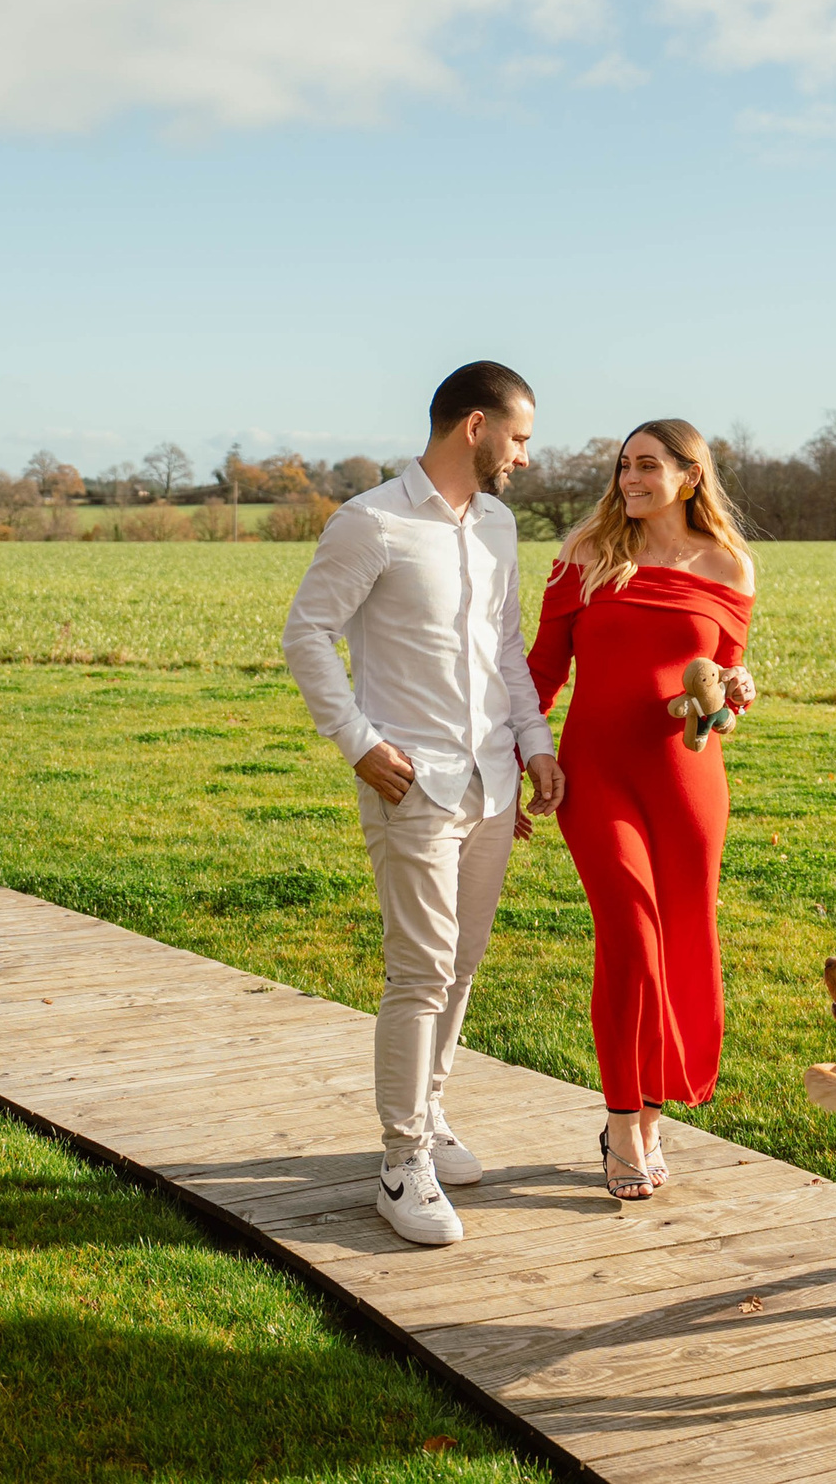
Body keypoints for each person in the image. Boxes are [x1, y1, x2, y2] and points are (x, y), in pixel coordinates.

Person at [281, 361, 564, 1246]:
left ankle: (432, 1120)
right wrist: (361, 744)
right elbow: (307, 635)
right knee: (421, 972)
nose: (524, 456)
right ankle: (402, 1163)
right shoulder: (371, 523)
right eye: (518, 438)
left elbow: (506, 649)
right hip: (413, 784)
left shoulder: (500, 525)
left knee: (464, 965)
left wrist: (537, 744)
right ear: (474, 427)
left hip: (491, 781)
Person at [527, 420, 756, 1201]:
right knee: (629, 932)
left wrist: (736, 694)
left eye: (648, 465)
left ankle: (654, 1114)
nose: (631, 478)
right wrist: (527, 753)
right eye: (625, 465)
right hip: (597, 774)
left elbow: (720, 688)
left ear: (691, 478)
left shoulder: (730, 564)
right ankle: (622, 1119)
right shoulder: (586, 551)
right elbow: (543, 669)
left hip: (688, 780)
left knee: (684, 937)